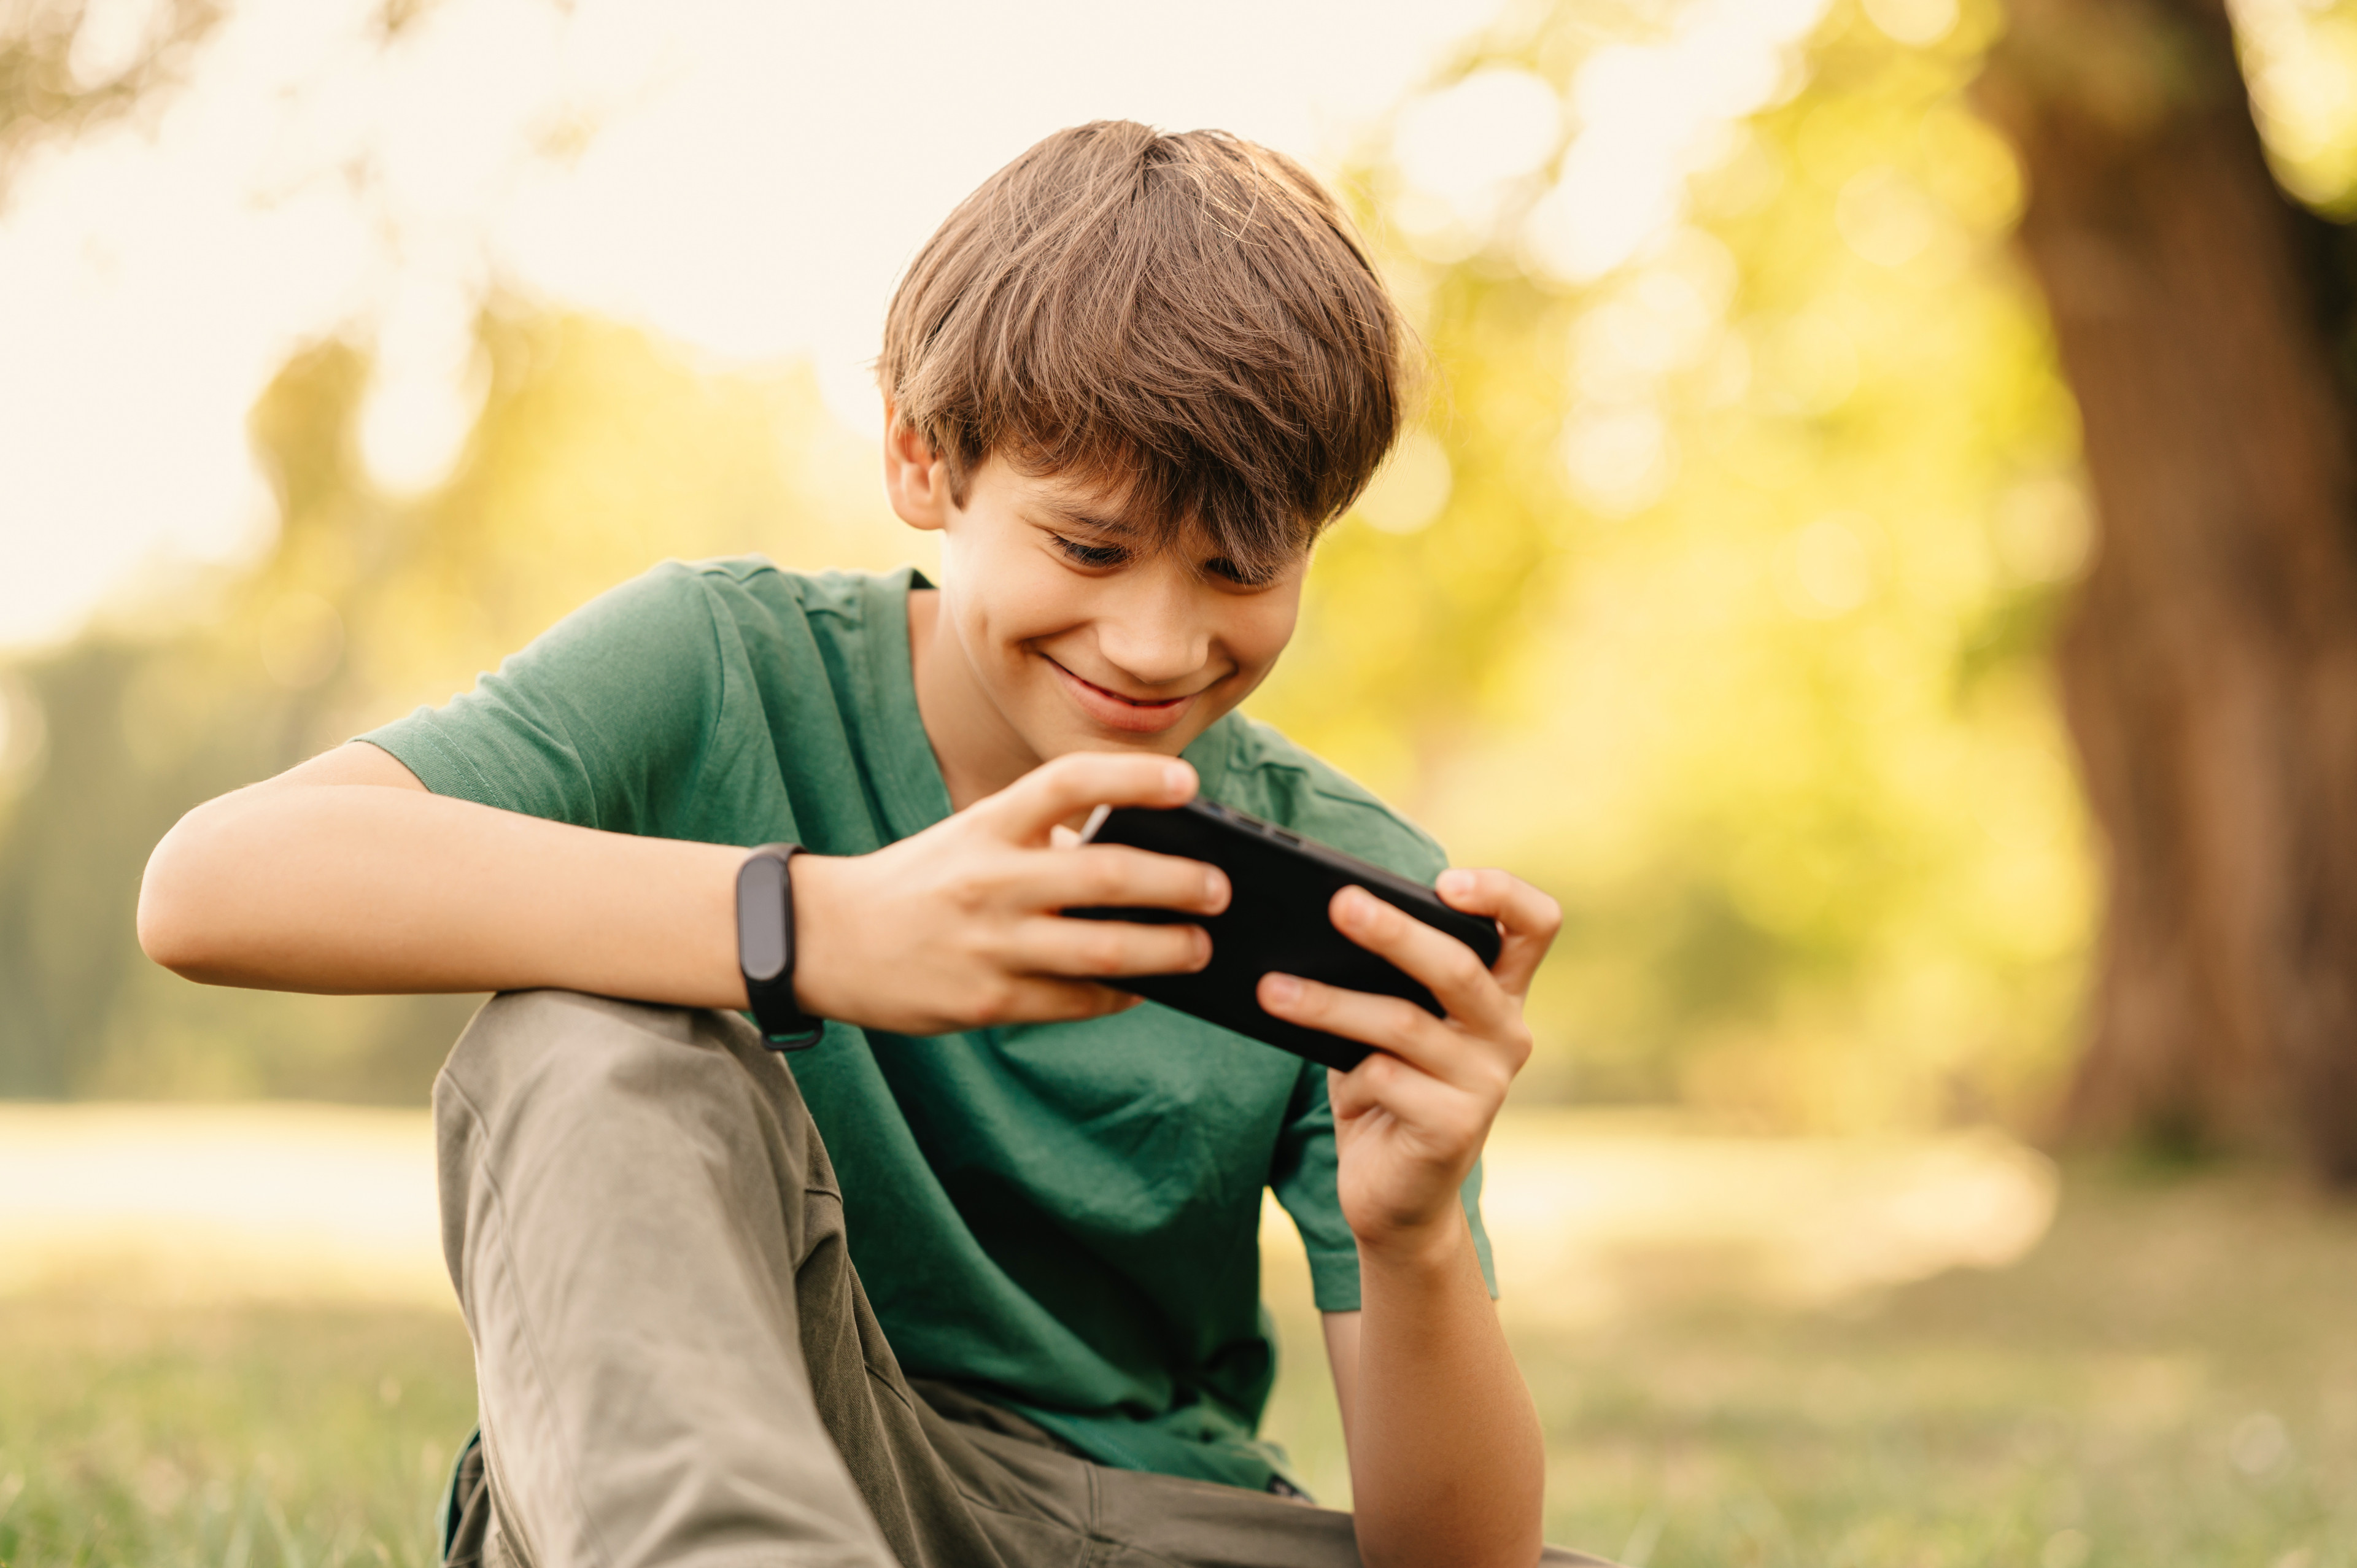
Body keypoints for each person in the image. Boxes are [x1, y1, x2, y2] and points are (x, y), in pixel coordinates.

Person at [137, 121, 1606, 1568]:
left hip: (1148, 1516)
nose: (1159, 644)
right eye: (1089, 547)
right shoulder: (723, 666)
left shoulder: (1345, 877)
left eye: (1243, 568)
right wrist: (822, 929)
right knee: (577, 1028)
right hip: (752, 1463)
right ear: (923, 463)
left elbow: (1458, 1559)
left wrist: (1411, 1241)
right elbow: (215, 886)